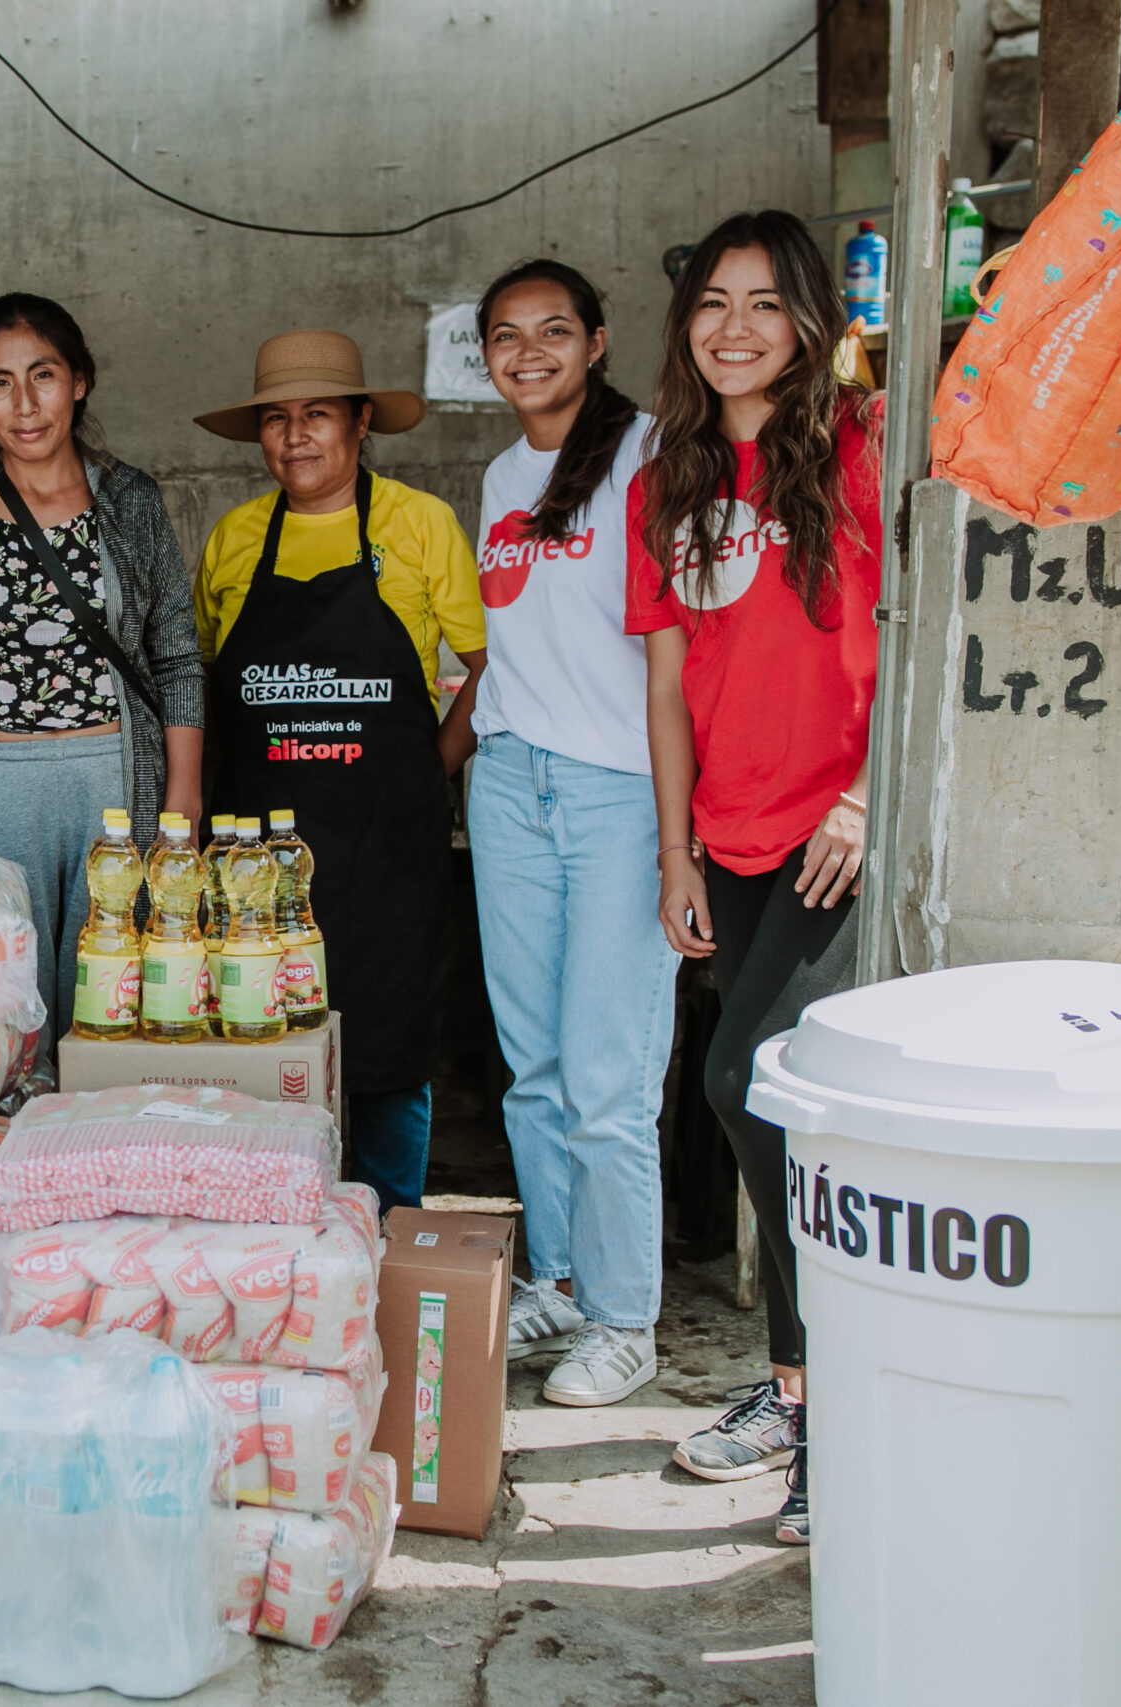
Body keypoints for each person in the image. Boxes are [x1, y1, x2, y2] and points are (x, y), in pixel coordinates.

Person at [626, 210, 884, 1545]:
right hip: (725, 834)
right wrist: (672, 847)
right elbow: (669, 685)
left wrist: (863, 793)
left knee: (753, 1087)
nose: (734, 327)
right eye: (712, 303)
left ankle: (827, 1408)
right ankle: (800, 1390)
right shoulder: (664, 480)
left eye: (763, 303)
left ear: (808, 321)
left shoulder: (864, 451)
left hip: (828, 832)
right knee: (772, 1111)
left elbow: (912, 629)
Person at [191, 329, 486, 1214]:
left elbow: (486, 668)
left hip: (388, 849)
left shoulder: (420, 523)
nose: (295, 437)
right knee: (257, 1036)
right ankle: (272, 1225)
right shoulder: (236, 539)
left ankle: (388, 1232)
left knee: (390, 1047)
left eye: (317, 415)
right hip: (257, 860)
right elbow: (204, 688)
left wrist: (431, 763)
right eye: (277, 420)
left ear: (362, 422)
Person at [0, 293, 205, 1052]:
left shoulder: (129, 501)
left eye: (44, 376)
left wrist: (180, 803)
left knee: (110, 1003)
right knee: (5, 1009)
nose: (24, 405)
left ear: (80, 381)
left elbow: (178, 654)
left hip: (116, 788)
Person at [467, 262, 679, 1407]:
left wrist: (679, 821)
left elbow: (675, 653)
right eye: (508, 336)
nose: (529, 351)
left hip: (615, 791)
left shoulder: (652, 456)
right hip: (510, 786)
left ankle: (624, 1319)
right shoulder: (499, 475)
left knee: (607, 1076)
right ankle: (556, 1277)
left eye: (554, 332)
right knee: (532, 1069)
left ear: (597, 342)